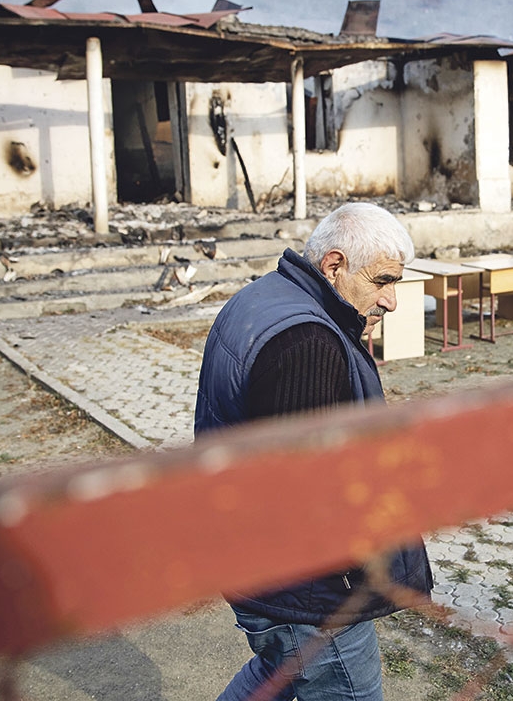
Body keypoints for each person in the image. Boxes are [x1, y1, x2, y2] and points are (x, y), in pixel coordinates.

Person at [194, 202, 434, 701]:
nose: (392, 301)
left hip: (253, 563)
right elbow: (305, 494)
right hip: (306, 592)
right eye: (383, 281)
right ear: (334, 266)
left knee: (277, 676)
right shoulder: (308, 341)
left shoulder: (269, 297)